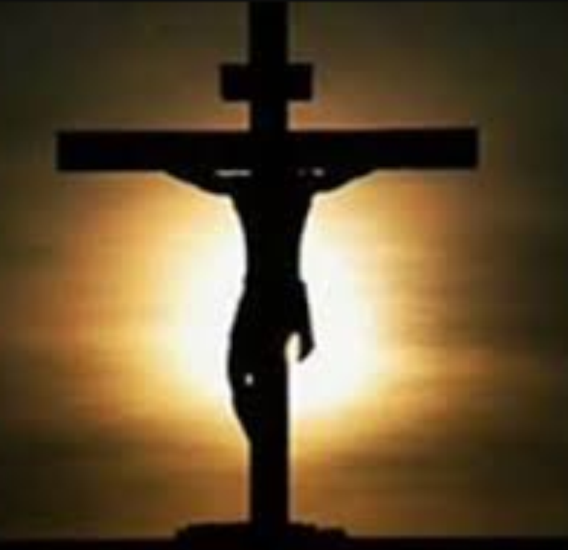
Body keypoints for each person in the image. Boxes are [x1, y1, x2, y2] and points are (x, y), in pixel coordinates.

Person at [168, 164, 368, 440]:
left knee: (245, 370)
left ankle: (263, 436)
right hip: (276, 293)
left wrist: (167, 163)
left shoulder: (257, 189)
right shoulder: (295, 188)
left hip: (271, 293)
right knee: (239, 371)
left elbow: (204, 178)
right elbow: (342, 174)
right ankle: (261, 435)